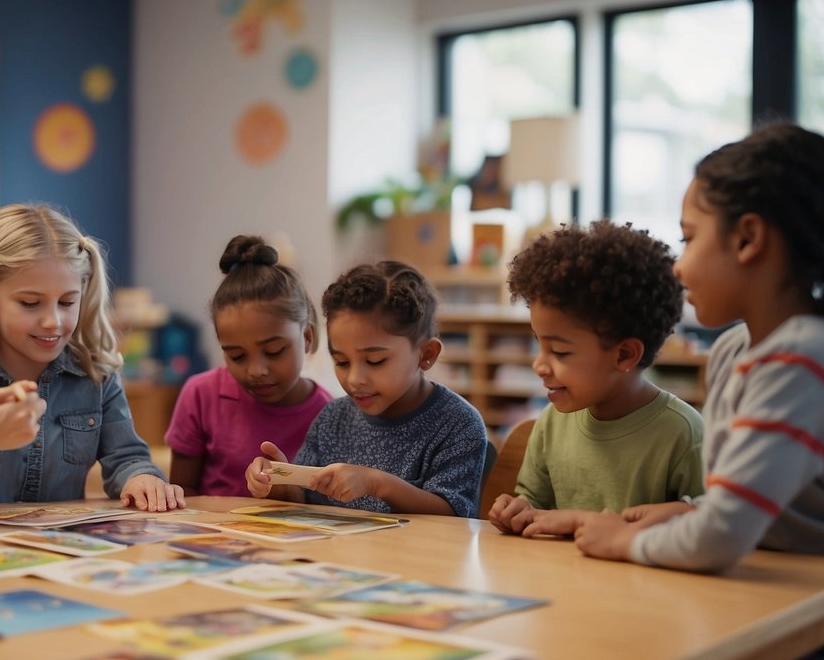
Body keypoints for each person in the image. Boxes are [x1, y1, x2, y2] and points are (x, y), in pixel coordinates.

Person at [574, 124, 824, 660]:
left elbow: (724, 537)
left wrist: (623, 540)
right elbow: (754, 503)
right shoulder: (742, 349)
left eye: (688, 237)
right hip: (794, 601)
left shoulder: (808, 357)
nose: (677, 262)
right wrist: (690, 512)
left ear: (748, 238)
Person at [0, 202, 183, 512]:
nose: (52, 321)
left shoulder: (96, 378)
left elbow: (127, 458)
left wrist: (141, 478)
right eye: (29, 303)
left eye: (66, 302)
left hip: (58, 550)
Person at [489, 220, 705, 538]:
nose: (539, 365)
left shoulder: (682, 434)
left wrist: (579, 519)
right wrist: (519, 509)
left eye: (559, 352)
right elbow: (534, 503)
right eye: (539, 343)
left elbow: (704, 526)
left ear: (624, 355)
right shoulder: (550, 424)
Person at [245, 260, 487, 516]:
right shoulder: (332, 419)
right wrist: (278, 480)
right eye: (342, 361)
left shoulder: (458, 424)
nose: (354, 379)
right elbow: (304, 496)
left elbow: (453, 516)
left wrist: (376, 483)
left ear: (426, 354)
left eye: (375, 361)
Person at [165, 235, 332, 496]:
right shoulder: (200, 395)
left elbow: (328, 509)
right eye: (237, 356)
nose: (256, 371)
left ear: (307, 338)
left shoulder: (328, 416)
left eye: (274, 351)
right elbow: (182, 492)